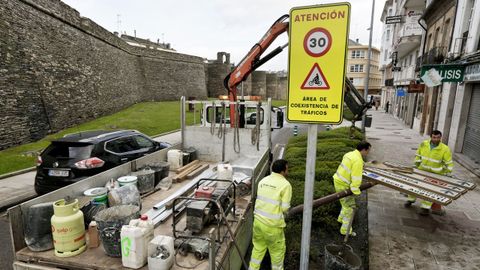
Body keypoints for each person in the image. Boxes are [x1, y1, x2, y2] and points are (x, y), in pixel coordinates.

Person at [249, 159, 292, 270]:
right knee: (277, 255)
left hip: (258, 223)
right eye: (287, 168)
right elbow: (285, 208)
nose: (288, 170)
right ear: (283, 171)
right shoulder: (285, 185)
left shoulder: (263, 180)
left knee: (257, 250)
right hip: (273, 227)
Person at [405, 130, 453, 215]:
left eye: (438, 137)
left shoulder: (445, 149)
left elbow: (448, 163)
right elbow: (418, 156)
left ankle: (425, 208)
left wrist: (446, 173)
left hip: (435, 174)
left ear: (440, 138)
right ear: (431, 137)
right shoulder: (424, 144)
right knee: (414, 185)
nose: (436, 139)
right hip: (422, 170)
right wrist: (415, 166)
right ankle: (410, 200)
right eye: (434, 137)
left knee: (430, 191)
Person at [333, 141, 371, 236]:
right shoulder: (357, 161)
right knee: (350, 208)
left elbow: (357, 163)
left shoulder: (350, 154)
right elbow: (356, 179)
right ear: (364, 149)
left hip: (338, 181)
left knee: (344, 203)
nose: (368, 153)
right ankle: (345, 231)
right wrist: (356, 192)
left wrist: (366, 164)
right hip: (344, 185)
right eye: (368, 151)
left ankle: (340, 220)